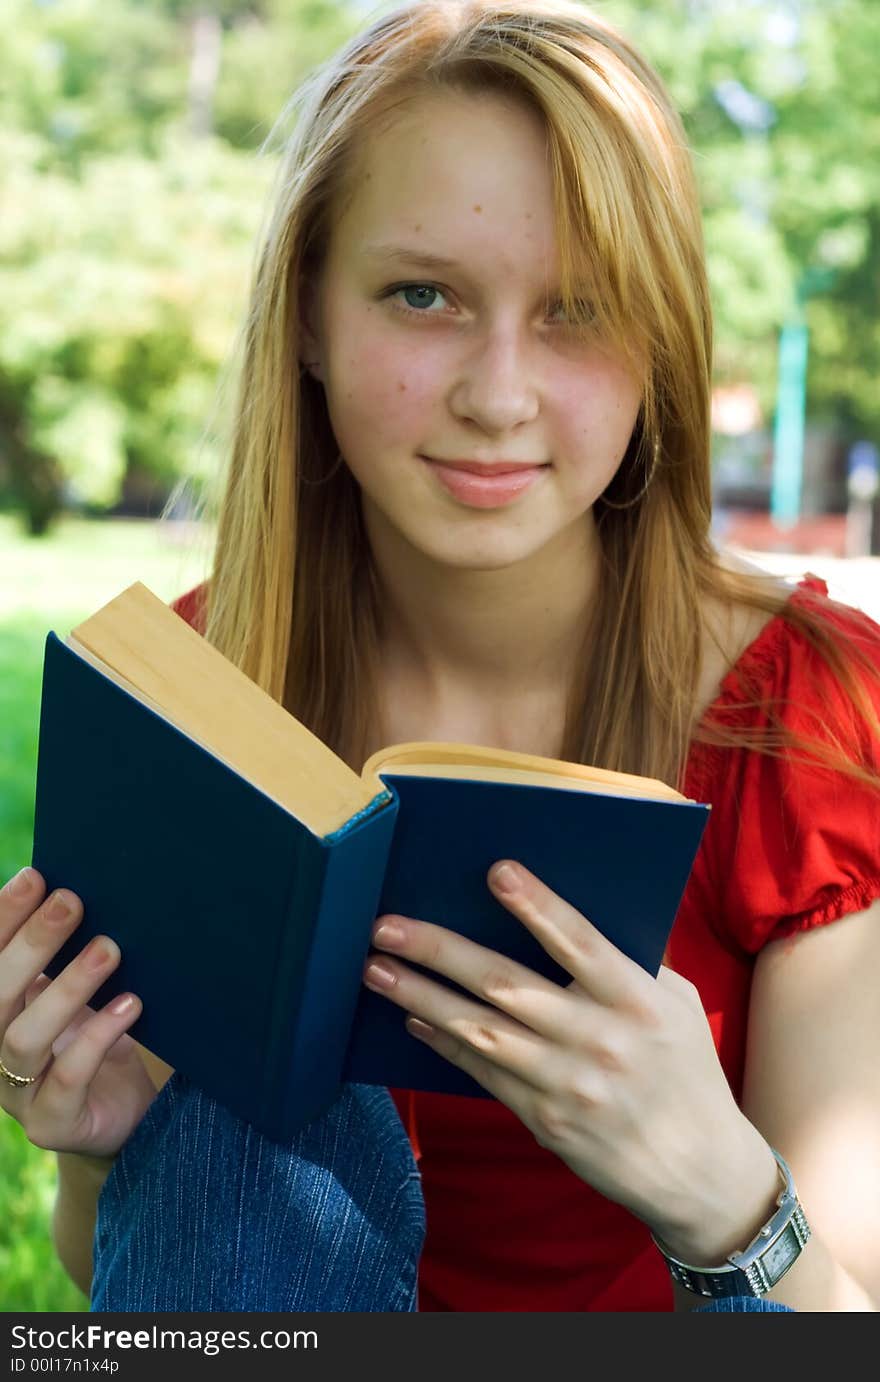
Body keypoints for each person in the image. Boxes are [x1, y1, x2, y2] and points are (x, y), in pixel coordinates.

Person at [1, 0, 878, 1314]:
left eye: (578, 311)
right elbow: (155, 1276)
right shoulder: (195, 687)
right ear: (305, 314)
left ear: (658, 348)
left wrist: (718, 1187)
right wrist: (104, 1141)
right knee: (236, 1137)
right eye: (425, 295)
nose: (499, 393)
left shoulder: (812, 705)